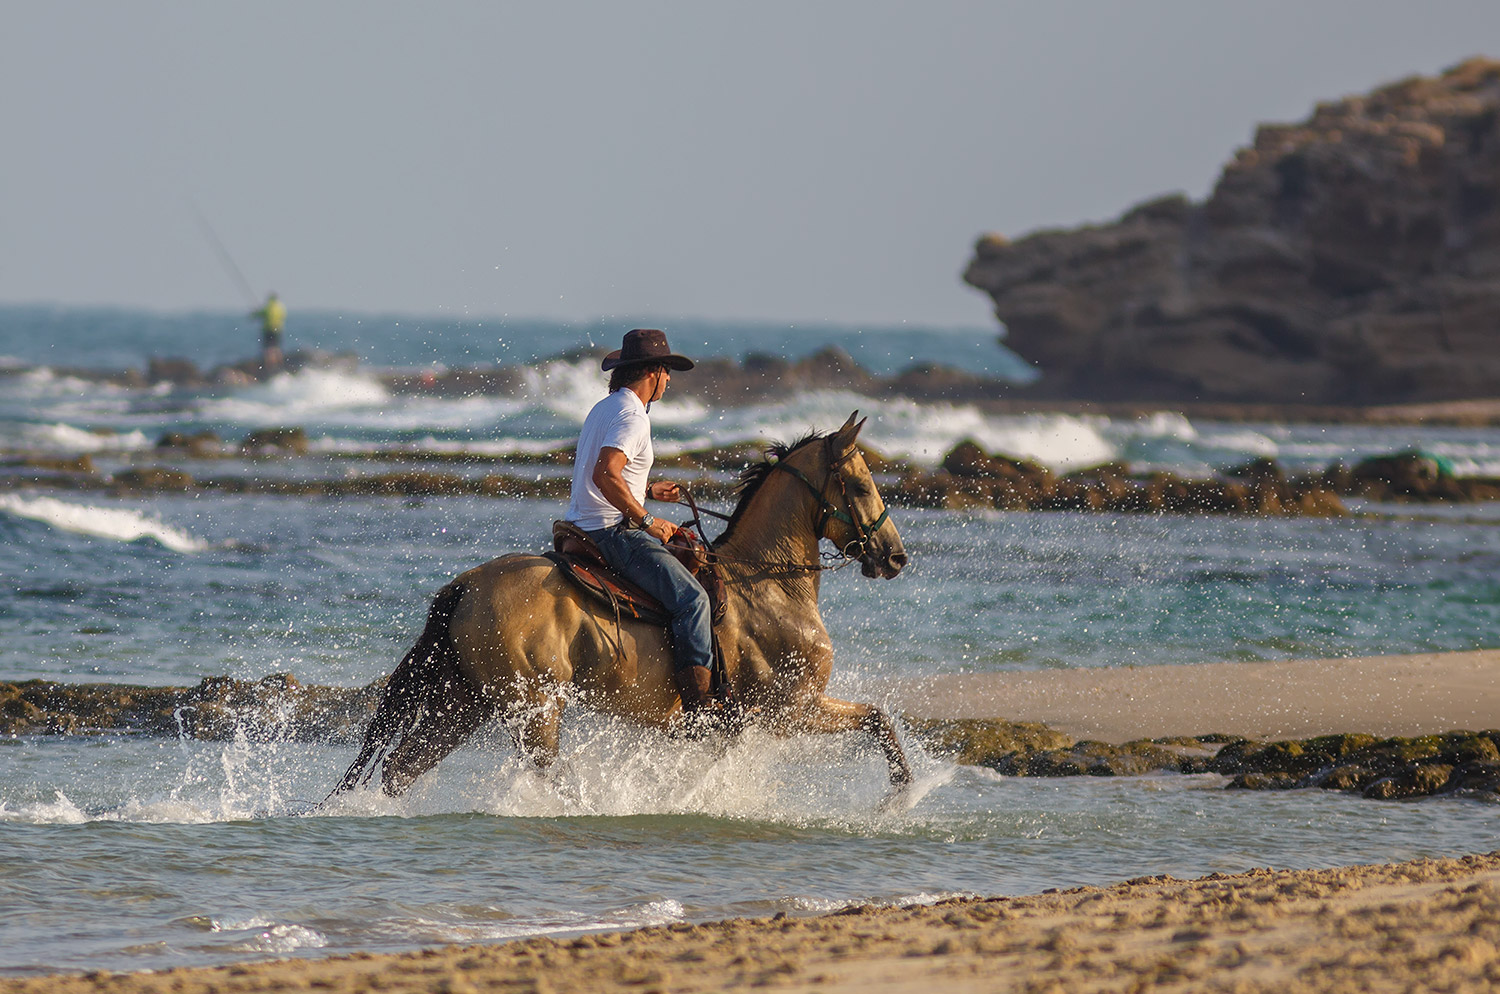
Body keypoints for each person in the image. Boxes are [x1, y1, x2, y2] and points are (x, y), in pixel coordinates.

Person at [565, 328, 717, 714]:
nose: (668, 381)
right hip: (614, 533)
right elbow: (604, 474)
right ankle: (700, 706)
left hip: (581, 525)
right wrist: (648, 519)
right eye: (667, 372)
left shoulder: (604, 407)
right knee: (693, 600)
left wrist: (646, 488)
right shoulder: (634, 416)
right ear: (652, 371)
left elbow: (605, 473)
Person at [251, 292, 286, 372]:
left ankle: (269, 366)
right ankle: (280, 364)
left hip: (268, 330)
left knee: (268, 349)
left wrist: (254, 314)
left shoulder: (268, 307)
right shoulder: (280, 308)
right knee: (277, 348)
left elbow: (258, 315)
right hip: (278, 330)